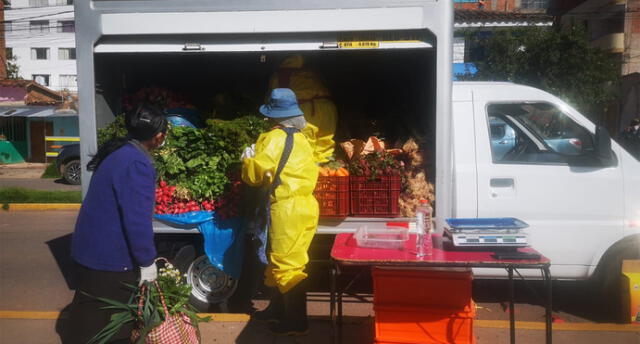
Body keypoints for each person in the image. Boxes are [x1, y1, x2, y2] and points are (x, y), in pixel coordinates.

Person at [65, 105, 168, 343]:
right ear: (159, 136)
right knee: (111, 325)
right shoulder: (137, 163)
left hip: (91, 248)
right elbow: (137, 221)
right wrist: (146, 261)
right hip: (109, 256)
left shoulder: (120, 151)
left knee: (88, 316)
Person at [241, 88, 319, 335]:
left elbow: (255, 176)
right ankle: (277, 310)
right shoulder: (304, 139)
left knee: (287, 266)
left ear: (273, 116)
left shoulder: (273, 139)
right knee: (279, 259)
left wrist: (247, 160)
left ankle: (296, 321)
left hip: (286, 209)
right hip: (304, 206)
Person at [269, 54, 338, 163]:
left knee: (305, 144)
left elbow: (275, 99)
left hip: (304, 110)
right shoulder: (311, 72)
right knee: (325, 143)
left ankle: (310, 174)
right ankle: (327, 172)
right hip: (327, 107)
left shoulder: (279, 75)